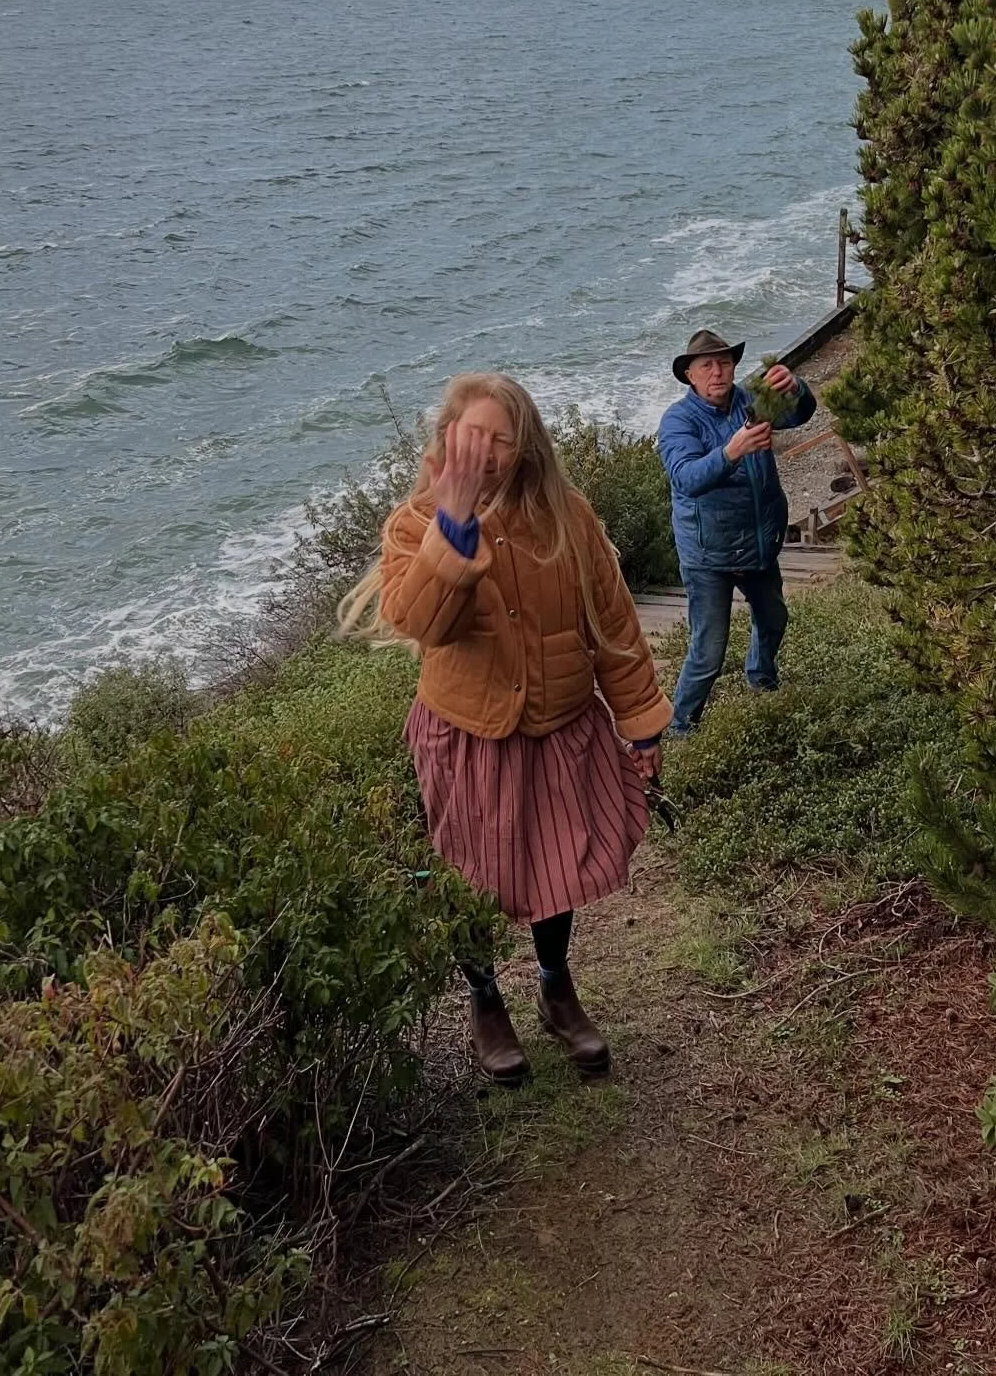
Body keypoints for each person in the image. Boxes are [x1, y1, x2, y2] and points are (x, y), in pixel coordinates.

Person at [337, 373, 671, 1085]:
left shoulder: (568, 516)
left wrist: (642, 726)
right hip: (466, 733)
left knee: (558, 864)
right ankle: (486, 999)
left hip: (560, 723)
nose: (485, 450)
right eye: (472, 434)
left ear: (526, 446)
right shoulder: (413, 525)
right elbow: (421, 622)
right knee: (471, 874)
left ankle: (555, 988)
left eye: (501, 435)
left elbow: (613, 629)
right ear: (447, 439)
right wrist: (452, 530)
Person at [656, 328, 816, 736]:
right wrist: (732, 450)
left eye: (724, 362)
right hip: (709, 554)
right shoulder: (678, 420)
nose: (717, 372)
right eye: (706, 365)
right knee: (708, 651)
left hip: (759, 543)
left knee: (774, 619)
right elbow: (685, 477)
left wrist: (795, 387)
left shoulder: (749, 398)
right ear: (690, 375)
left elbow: (800, 413)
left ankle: (761, 679)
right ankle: (681, 725)